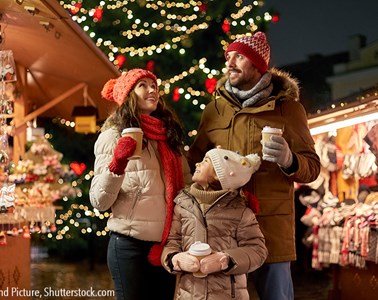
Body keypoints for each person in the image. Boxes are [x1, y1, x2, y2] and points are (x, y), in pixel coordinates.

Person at [187, 32, 321, 300]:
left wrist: (289, 160)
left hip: (270, 229)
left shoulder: (288, 109)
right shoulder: (214, 110)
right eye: (228, 57)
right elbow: (193, 163)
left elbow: (313, 168)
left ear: (258, 64)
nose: (230, 63)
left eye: (239, 56)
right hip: (225, 232)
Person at [89, 68, 192, 300]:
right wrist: (117, 163)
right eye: (142, 85)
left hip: (167, 247)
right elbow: (99, 201)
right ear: (128, 95)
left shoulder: (169, 136)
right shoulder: (112, 136)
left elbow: (186, 188)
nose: (152, 90)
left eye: (154, 85)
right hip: (129, 246)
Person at [161, 147, 268, 300]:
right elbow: (172, 242)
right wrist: (175, 259)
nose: (197, 163)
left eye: (205, 161)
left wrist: (225, 260)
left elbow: (258, 250)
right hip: (187, 294)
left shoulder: (241, 212)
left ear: (219, 176)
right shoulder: (182, 205)